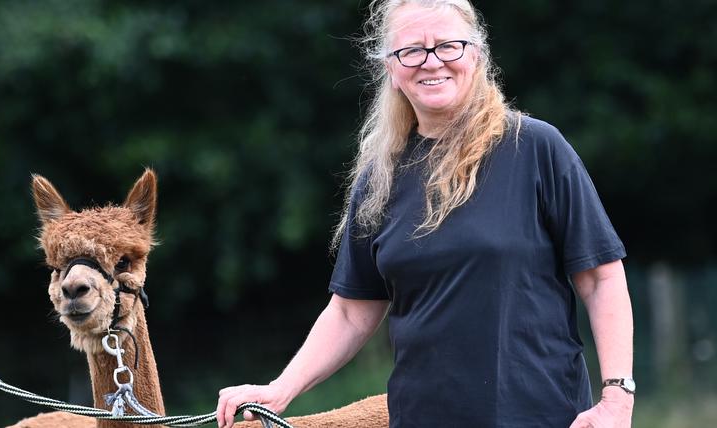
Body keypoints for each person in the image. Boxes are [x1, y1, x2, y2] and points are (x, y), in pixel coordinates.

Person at [215, 0, 635, 427]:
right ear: (391, 69)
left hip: (542, 416)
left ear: (476, 55)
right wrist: (278, 390)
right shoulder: (381, 179)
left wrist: (617, 397)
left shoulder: (535, 148)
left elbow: (602, 278)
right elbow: (349, 311)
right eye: (411, 50)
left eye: (448, 46)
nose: (432, 62)